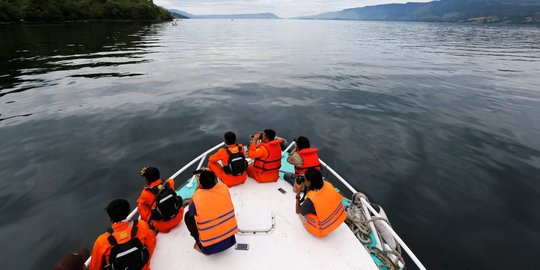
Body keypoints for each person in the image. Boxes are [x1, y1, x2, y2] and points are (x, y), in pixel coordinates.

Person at [89, 199, 156, 270]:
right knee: (151, 233)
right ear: (128, 211)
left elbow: (94, 267)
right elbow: (151, 243)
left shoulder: (102, 241)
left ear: (109, 217)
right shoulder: (141, 225)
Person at [184, 169, 238, 255]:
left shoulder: (197, 196)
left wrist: (198, 187)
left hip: (209, 248)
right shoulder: (224, 188)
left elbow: (191, 210)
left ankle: (199, 243)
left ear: (200, 184)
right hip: (230, 240)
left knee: (188, 216)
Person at [295, 168, 346, 238]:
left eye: (305, 178)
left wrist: (298, 193)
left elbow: (298, 211)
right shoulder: (328, 185)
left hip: (321, 230)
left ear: (309, 182)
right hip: (337, 220)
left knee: (301, 213)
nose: (304, 179)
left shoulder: (311, 200)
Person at [137, 166, 184, 233]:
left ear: (147, 180)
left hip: (163, 226)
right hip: (179, 217)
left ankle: (149, 224)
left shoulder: (145, 194)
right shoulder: (170, 182)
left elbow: (141, 202)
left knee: (140, 206)